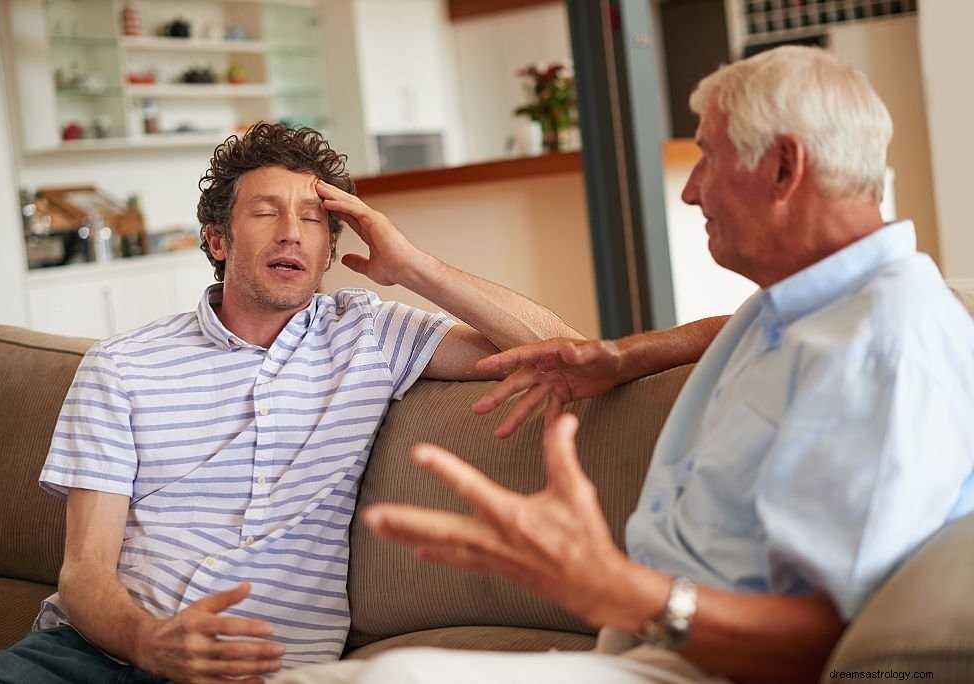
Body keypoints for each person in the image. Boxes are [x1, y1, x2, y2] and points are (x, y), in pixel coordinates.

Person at [273, 45, 974, 684]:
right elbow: (752, 328)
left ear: (784, 168)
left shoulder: (885, 349)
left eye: (709, 156)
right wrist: (623, 356)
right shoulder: (819, 305)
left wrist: (614, 588)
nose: (692, 189)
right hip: (649, 645)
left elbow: (834, 649)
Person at [0, 122, 588, 683]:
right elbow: (85, 574)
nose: (292, 233)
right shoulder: (122, 366)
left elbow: (568, 353)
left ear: (330, 249)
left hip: (258, 670)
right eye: (266, 213)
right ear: (218, 240)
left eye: (313, 219)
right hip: (87, 654)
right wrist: (152, 643)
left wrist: (414, 265)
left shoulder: (369, 335)